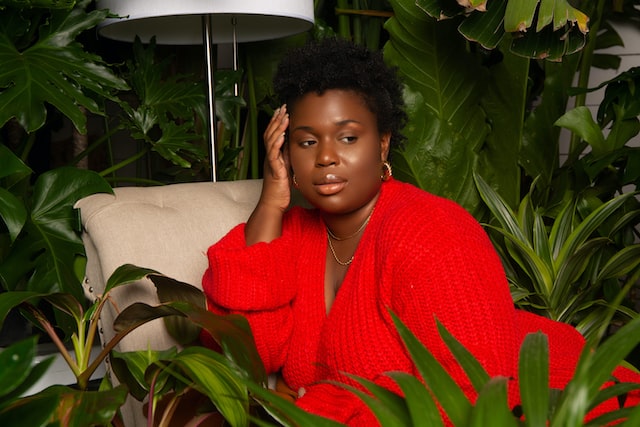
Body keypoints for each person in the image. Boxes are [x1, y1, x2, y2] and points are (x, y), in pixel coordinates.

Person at [201, 37, 639, 425]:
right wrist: (272, 201)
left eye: (348, 138)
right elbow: (241, 361)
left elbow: (474, 392)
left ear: (384, 142)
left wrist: (320, 407)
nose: (326, 157)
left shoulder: (430, 231)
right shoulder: (294, 234)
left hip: (560, 408)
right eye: (307, 141)